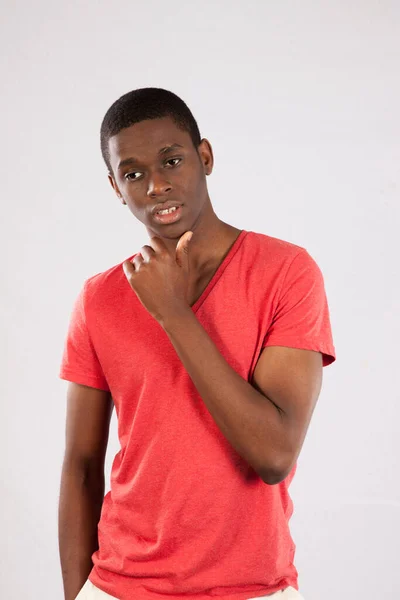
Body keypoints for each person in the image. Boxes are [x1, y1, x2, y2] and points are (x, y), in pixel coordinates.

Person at [58, 87, 336, 600]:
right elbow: (80, 463)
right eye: (134, 173)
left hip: (251, 587)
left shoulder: (286, 273)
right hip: (118, 586)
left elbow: (273, 454)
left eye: (172, 160)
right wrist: (77, 594)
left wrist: (172, 314)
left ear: (204, 157)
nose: (157, 185)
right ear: (117, 187)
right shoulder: (99, 298)